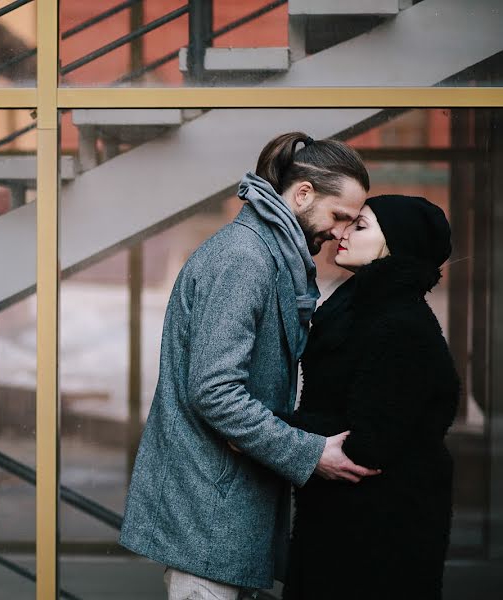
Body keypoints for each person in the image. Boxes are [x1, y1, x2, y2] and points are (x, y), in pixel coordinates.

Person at [119, 131, 379, 600]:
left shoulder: (270, 255)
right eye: (340, 216)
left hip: (224, 514)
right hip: (209, 515)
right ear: (302, 194)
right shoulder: (245, 258)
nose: (341, 232)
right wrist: (310, 452)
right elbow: (215, 391)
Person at [281, 195, 459, 600]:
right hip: (345, 522)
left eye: (359, 227)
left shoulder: (399, 325)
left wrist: (265, 428)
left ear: (394, 246)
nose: (341, 233)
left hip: (379, 535)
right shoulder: (359, 309)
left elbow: (367, 444)